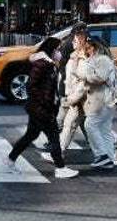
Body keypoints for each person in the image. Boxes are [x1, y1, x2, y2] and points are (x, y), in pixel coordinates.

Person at [8, 37, 78, 179]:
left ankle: (10, 159)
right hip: (41, 109)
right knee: (53, 137)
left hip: (39, 108)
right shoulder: (42, 64)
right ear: (51, 49)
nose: (59, 52)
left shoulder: (49, 64)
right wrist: (45, 102)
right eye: (57, 49)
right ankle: (60, 167)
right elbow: (31, 86)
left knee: (31, 135)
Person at [69, 37, 117, 169]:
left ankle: (102, 155)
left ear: (92, 48)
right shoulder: (95, 60)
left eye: (86, 48)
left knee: (90, 124)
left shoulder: (102, 60)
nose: (84, 50)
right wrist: (77, 63)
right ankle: (109, 159)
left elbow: (99, 78)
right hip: (100, 100)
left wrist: (86, 72)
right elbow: (77, 74)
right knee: (104, 129)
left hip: (104, 100)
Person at [57, 23, 91, 154]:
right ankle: (58, 151)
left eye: (76, 40)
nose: (73, 42)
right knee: (74, 123)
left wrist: (71, 98)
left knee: (69, 122)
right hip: (73, 94)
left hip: (79, 96)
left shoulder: (83, 58)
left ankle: (112, 153)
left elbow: (82, 82)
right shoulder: (73, 53)